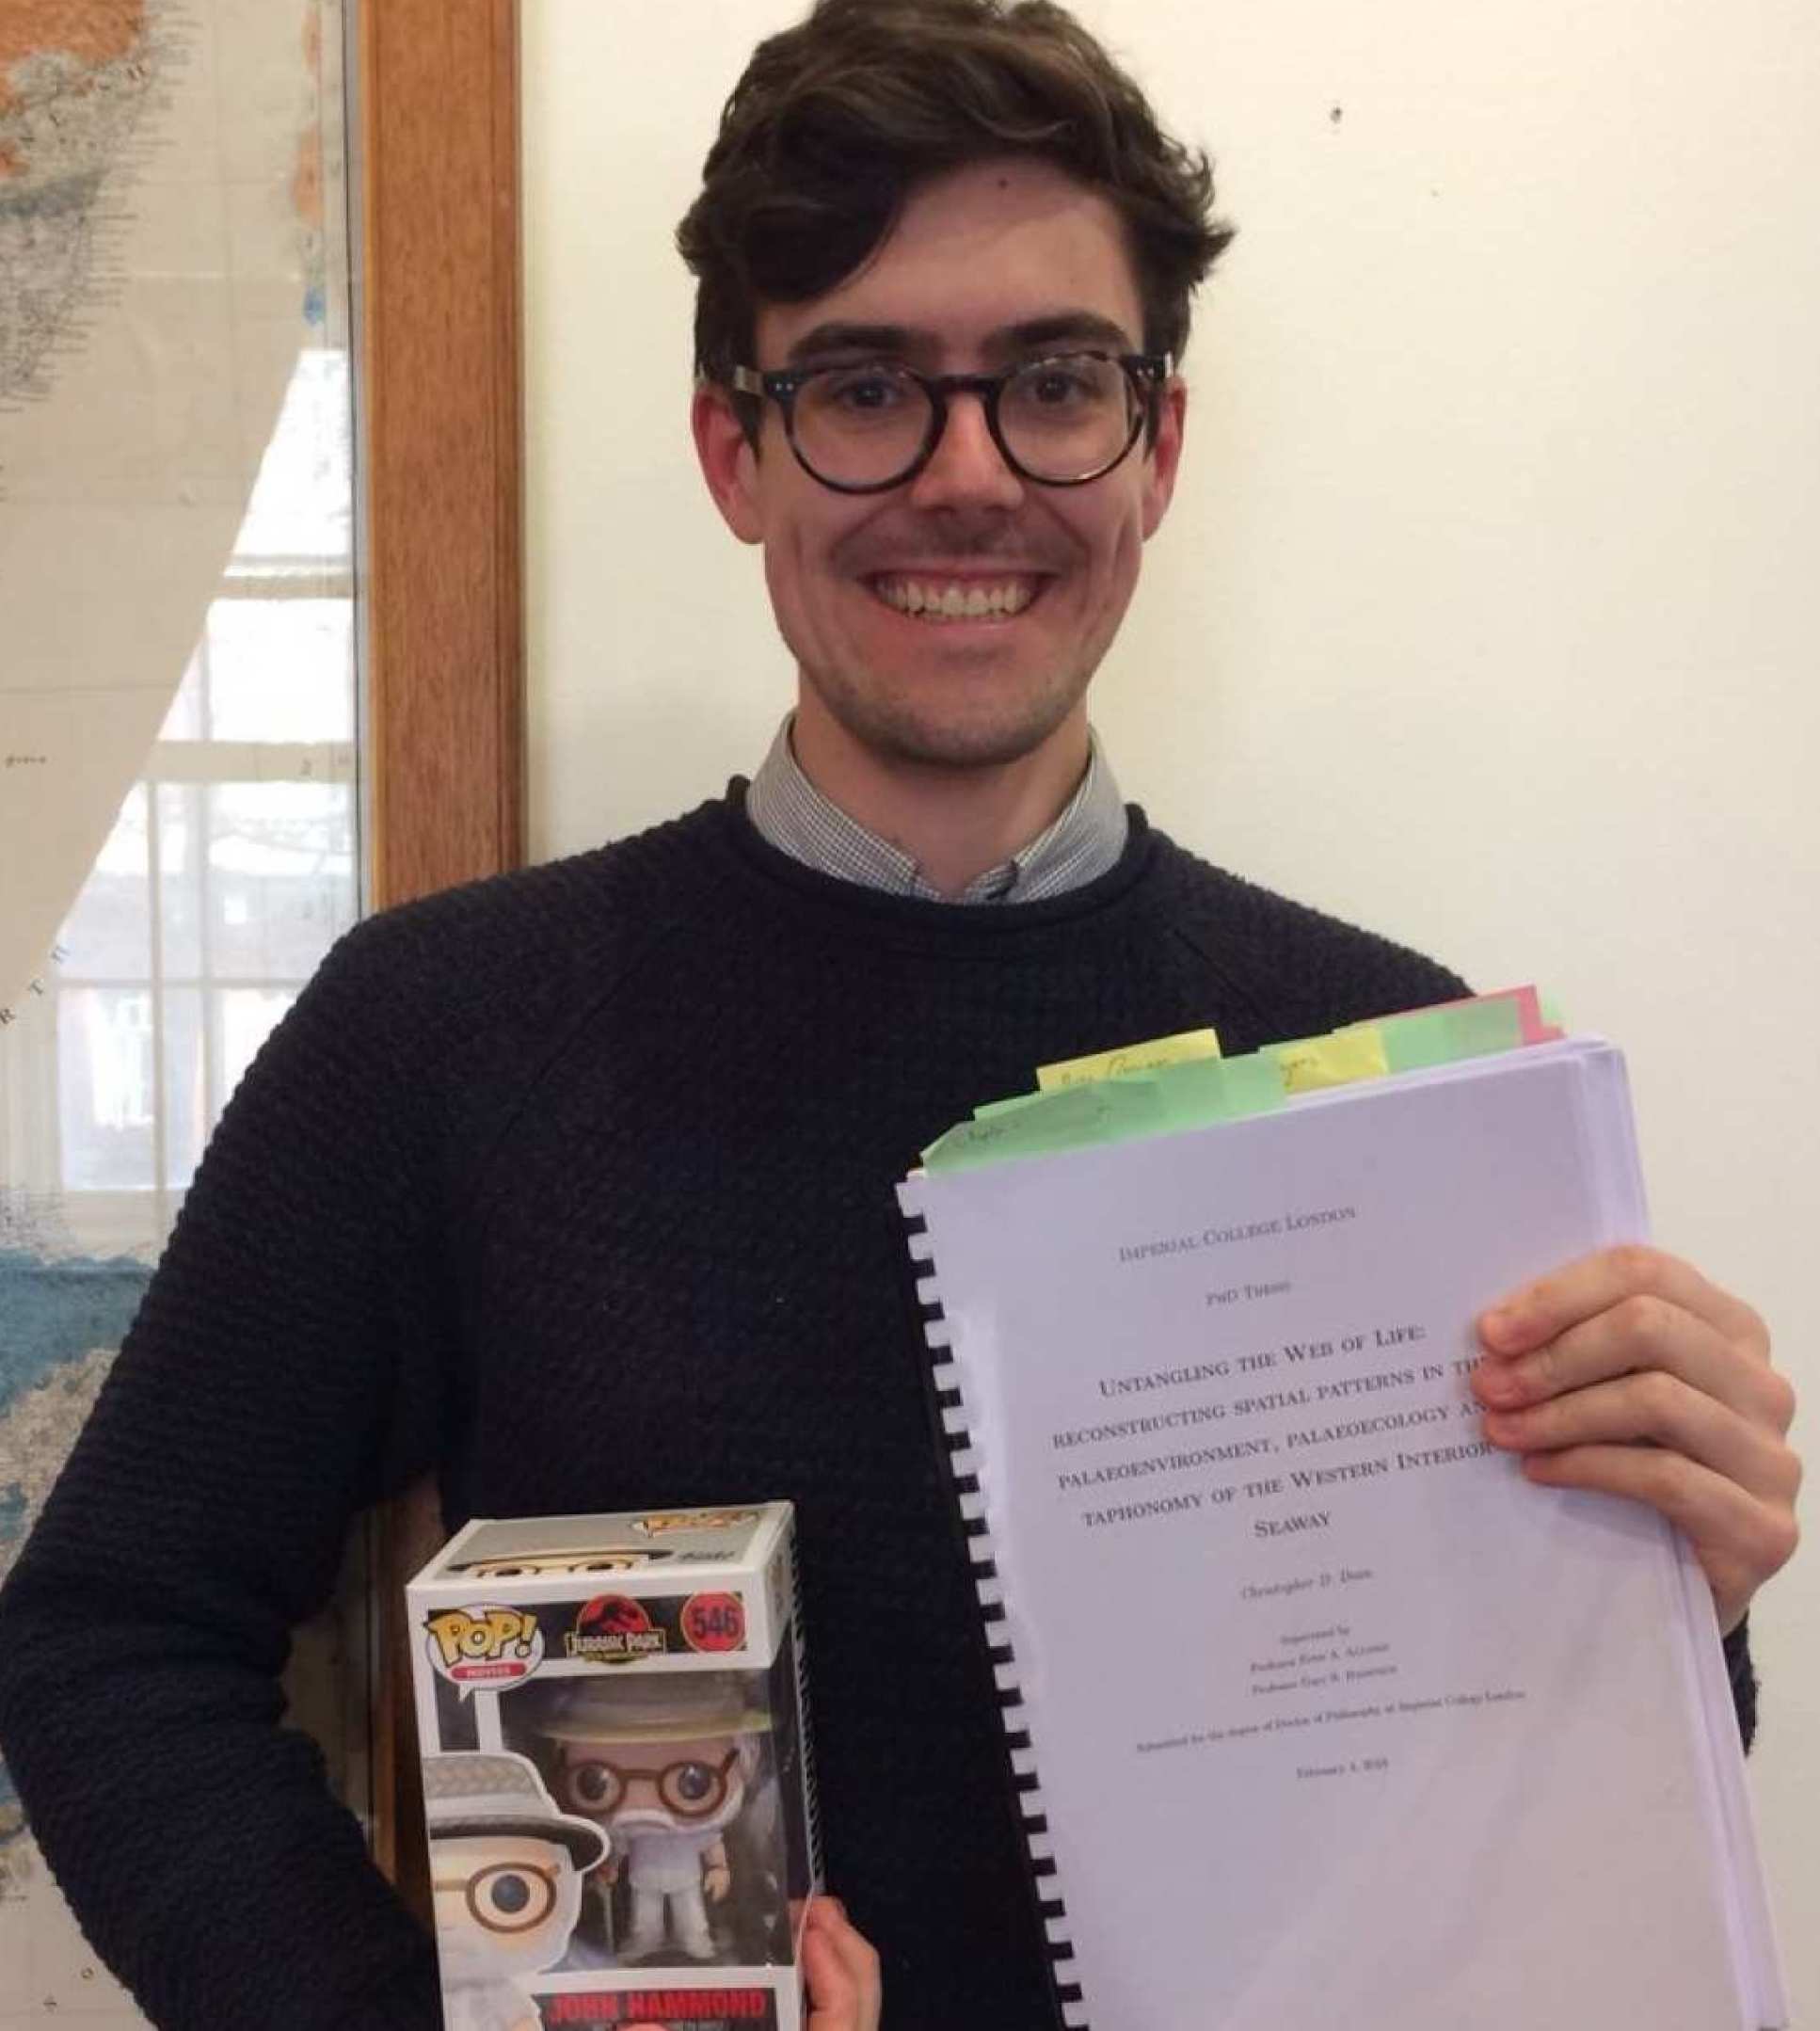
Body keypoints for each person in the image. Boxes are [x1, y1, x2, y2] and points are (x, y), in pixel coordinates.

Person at [0, 2, 1798, 2026]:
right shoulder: (441, 1031)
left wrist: (1672, 1596)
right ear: (733, 450)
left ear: (1158, 446)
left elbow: (1514, 1800)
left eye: (1055, 382)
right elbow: (107, 1636)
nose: (967, 476)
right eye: (864, 387)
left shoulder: (1390, 1074)